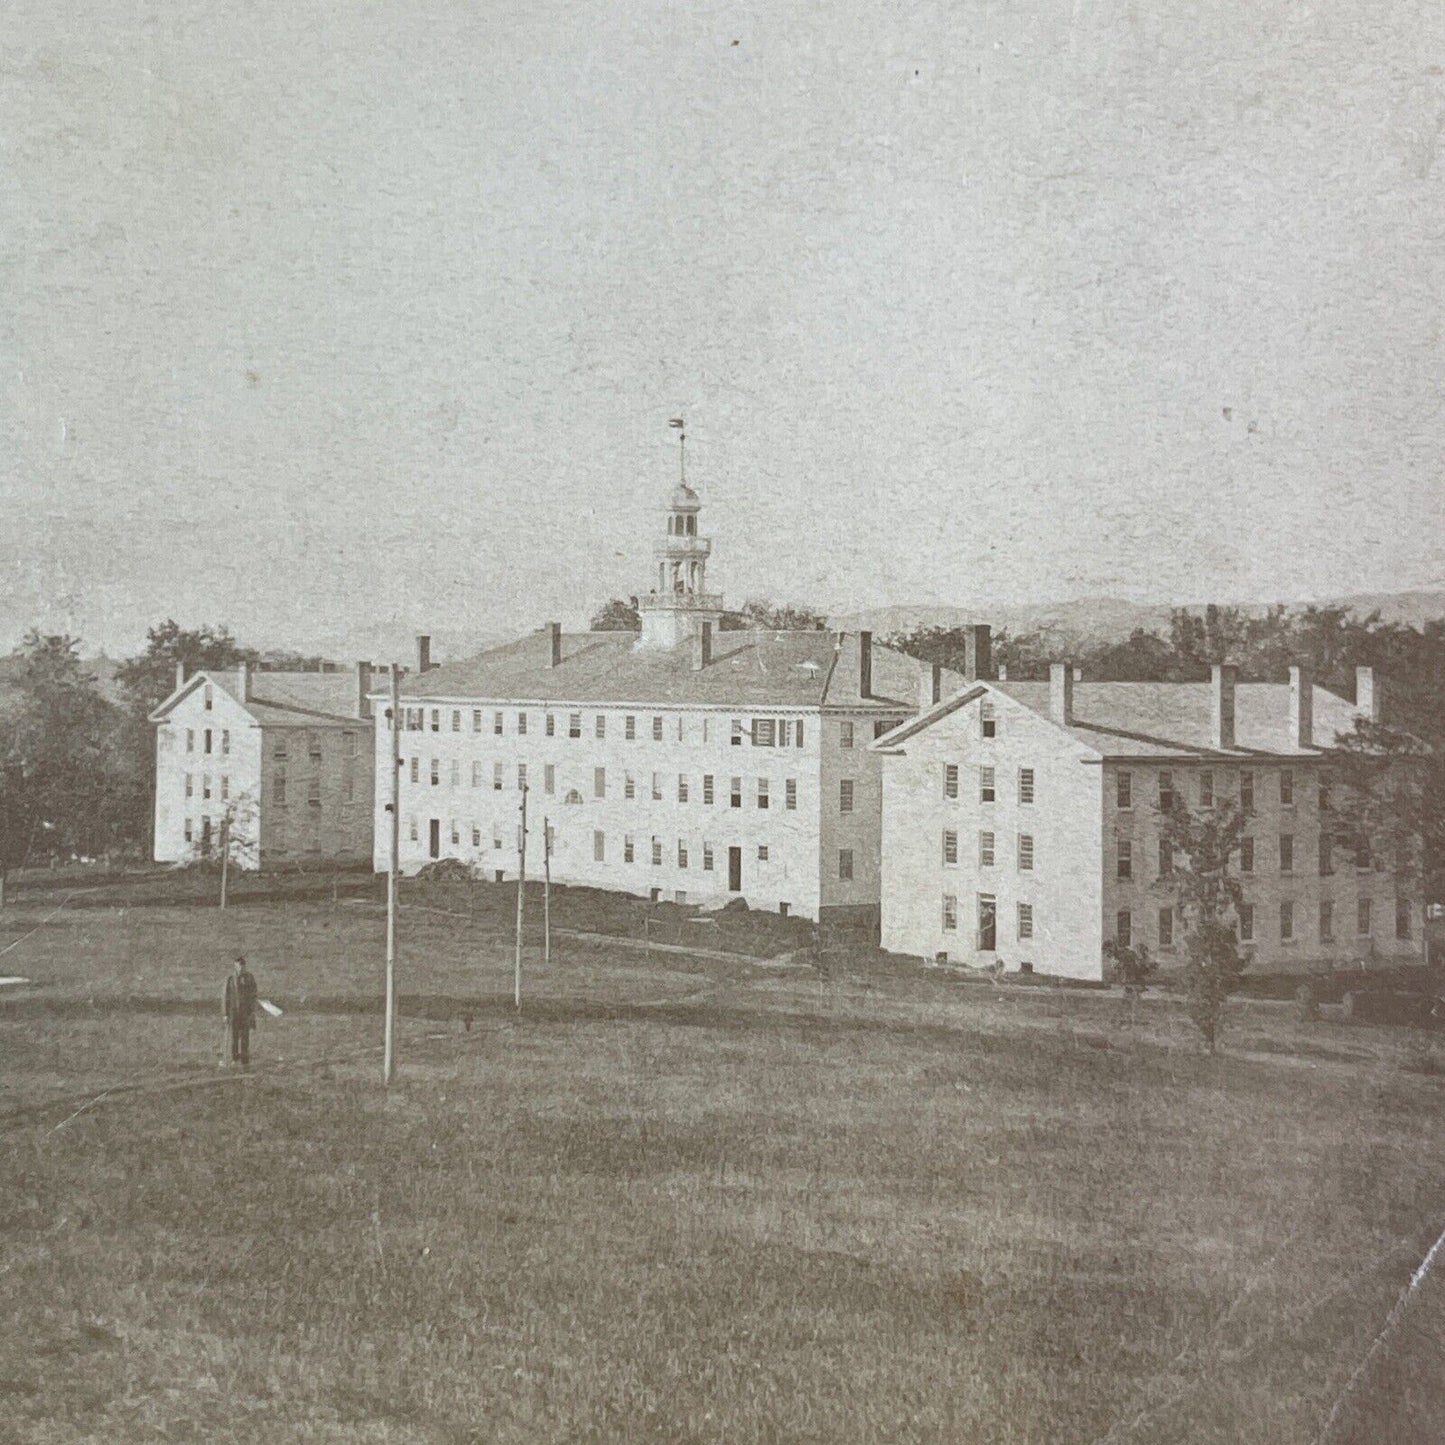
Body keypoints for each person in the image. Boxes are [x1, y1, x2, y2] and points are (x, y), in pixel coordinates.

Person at [223, 955, 258, 1065]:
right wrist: (225, 1014)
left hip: (245, 1013)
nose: (241, 969)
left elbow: (253, 996)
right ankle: (234, 1058)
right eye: (238, 967)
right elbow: (225, 997)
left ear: (245, 966)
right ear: (235, 966)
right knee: (234, 1037)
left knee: (245, 1037)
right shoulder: (230, 979)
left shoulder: (249, 978)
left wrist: (252, 1012)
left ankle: (244, 1059)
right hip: (234, 1012)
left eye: (243, 967)